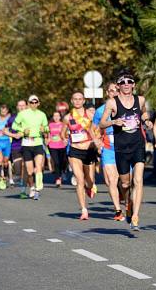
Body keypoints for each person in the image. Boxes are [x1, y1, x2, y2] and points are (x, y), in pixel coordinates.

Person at [99, 71, 153, 231]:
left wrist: (147, 120)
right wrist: (114, 121)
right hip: (121, 148)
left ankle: (135, 216)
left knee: (138, 180)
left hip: (137, 144)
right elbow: (102, 124)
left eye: (129, 81)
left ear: (134, 84)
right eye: (123, 82)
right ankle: (128, 202)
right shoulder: (112, 103)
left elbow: (143, 112)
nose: (126, 84)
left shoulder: (140, 99)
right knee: (125, 183)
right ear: (118, 85)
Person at [62, 92, 98, 220]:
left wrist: (96, 140)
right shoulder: (67, 117)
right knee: (79, 179)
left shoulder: (91, 115)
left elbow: (98, 130)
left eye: (80, 99)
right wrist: (65, 139)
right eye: (75, 99)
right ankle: (84, 210)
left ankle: (90, 187)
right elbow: (63, 133)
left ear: (83, 101)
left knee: (89, 181)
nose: (77, 101)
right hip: (74, 150)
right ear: (72, 101)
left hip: (89, 150)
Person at [93, 83, 124, 221]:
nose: (115, 93)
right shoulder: (100, 111)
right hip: (108, 149)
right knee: (111, 180)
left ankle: (127, 201)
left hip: (124, 149)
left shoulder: (126, 107)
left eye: (117, 90)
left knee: (125, 182)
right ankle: (118, 210)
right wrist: (97, 141)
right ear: (107, 93)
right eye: (112, 91)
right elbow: (93, 128)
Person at [13, 95, 48, 200]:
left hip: (37, 142)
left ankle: (37, 188)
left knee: (39, 167)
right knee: (29, 171)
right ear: (28, 103)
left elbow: (46, 128)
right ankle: (32, 187)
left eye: (35, 102)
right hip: (27, 144)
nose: (33, 104)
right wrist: (23, 130)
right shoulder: (22, 114)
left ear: (38, 103)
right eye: (31, 102)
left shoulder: (42, 114)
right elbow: (14, 126)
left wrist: (44, 129)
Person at [3, 99, 27, 188]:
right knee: (18, 169)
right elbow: (4, 131)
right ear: (17, 107)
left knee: (26, 166)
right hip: (16, 145)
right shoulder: (12, 118)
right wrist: (14, 135)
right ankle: (11, 172)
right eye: (19, 105)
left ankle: (23, 184)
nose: (21, 107)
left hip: (28, 144)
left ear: (26, 106)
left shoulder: (30, 118)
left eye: (23, 105)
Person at [0, 104, 12, 190]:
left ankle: (5, 177)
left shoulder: (9, 119)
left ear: (7, 111)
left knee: (5, 161)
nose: (3, 111)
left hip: (7, 142)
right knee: (0, 160)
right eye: (1, 110)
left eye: (4, 110)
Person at [48, 111, 68, 188]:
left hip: (62, 145)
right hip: (52, 145)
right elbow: (48, 134)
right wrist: (48, 139)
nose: (56, 117)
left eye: (57, 116)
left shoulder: (63, 124)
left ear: (60, 117)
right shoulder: (50, 125)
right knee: (56, 162)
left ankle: (63, 171)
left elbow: (66, 133)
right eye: (54, 116)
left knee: (62, 161)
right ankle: (58, 178)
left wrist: (66, 139)